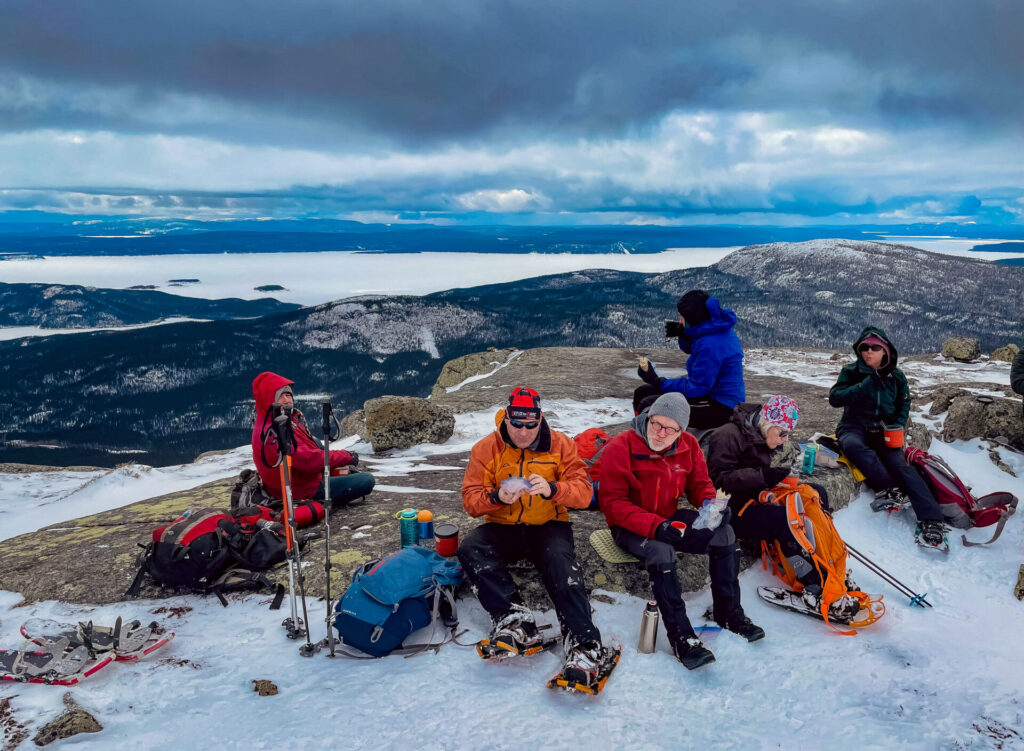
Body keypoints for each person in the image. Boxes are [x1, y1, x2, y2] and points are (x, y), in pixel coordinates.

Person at [599, 392, 764, 671]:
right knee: (660, 549)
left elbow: (699, 484)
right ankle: (681, 636)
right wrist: (654, 526)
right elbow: (613, 503)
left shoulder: (688, 445)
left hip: (668, 517)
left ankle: (728, 613)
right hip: (629, 525)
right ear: (647, 418)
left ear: (682, 430)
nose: (661, 433)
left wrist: (713, 506)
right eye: (656, 424)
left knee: (724, 534)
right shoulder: (621, 447)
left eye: (670, 428)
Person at [458, 387, 610, 689]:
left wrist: (554, 490)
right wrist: (497, 496)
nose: (524, 432)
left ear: (539, 419)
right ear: (507, 419)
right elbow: (471, 500)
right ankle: (513, 619)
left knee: (562, 565)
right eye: (517, 424)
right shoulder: (486, 448)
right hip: (504, 524)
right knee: (471, 548)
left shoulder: (562, 445)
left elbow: (583, 492)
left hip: (549, 524)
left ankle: (584, 644)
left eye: (531, 424)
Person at [706, 395, 858, 617]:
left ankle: (830, 564)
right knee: (783, 521)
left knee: (816, 495)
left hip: (753, 496)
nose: (784, 440)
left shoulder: (759, 432)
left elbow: (753, 478)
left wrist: (769, 483)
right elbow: (718, 480)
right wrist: (763, 476)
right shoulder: (727, 436)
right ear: (768, 423)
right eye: (782, 434)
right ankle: (812, 584)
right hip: (728, 509)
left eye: (788, 434)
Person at [828, 328, 945, 547]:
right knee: (852, 445)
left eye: (874, 348)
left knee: (901, 465)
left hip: (884, 429)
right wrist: (865, 384)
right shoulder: (851, 372)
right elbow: (835, 398)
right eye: (864, 347)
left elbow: (904, 403)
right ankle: (889, 488)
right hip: (853, 425)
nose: (868, 352)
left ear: (886, 351)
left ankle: (932, 519)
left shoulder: (896, 376)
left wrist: (898, 425)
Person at [251, 371, 374, 508]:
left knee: (315, 442)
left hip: (299, 479)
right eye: (280, 396)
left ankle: (330, 477)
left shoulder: (277, 421)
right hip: (300, 490)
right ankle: (327, 496)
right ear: (269, 399)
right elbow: (308, 460)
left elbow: (308, 453)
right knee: (366, 481)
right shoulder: (273, 432)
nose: (287, 400)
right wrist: (347, 456)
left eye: (288, 394)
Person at [634, 289, 745, 429]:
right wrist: (684, 334)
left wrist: (658, 382)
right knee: (643, 392)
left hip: (721, 406)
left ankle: (645, 443)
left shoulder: (710, 345)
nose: (680, 320)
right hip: (711, 394)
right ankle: (638, 437)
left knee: (651, 405)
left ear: (694, 318)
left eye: (683, 317)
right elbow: (692, 349)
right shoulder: (714, 327)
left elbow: (697, 388)